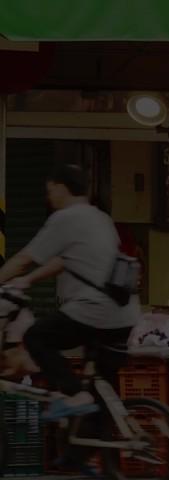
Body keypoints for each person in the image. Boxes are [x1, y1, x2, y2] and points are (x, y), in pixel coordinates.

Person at [0, 163, 139, 421]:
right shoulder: (100, 217)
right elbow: (66, 260)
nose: (48, 197)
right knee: (101, 395)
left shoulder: (65, 217)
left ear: (62, 188)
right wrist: (29, 280)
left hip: (95, 310)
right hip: (125, 314)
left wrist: (12, 276)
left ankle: (75, 393)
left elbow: (23, 258)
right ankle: (80, 459)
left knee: (36, 337)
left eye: (50, 190)